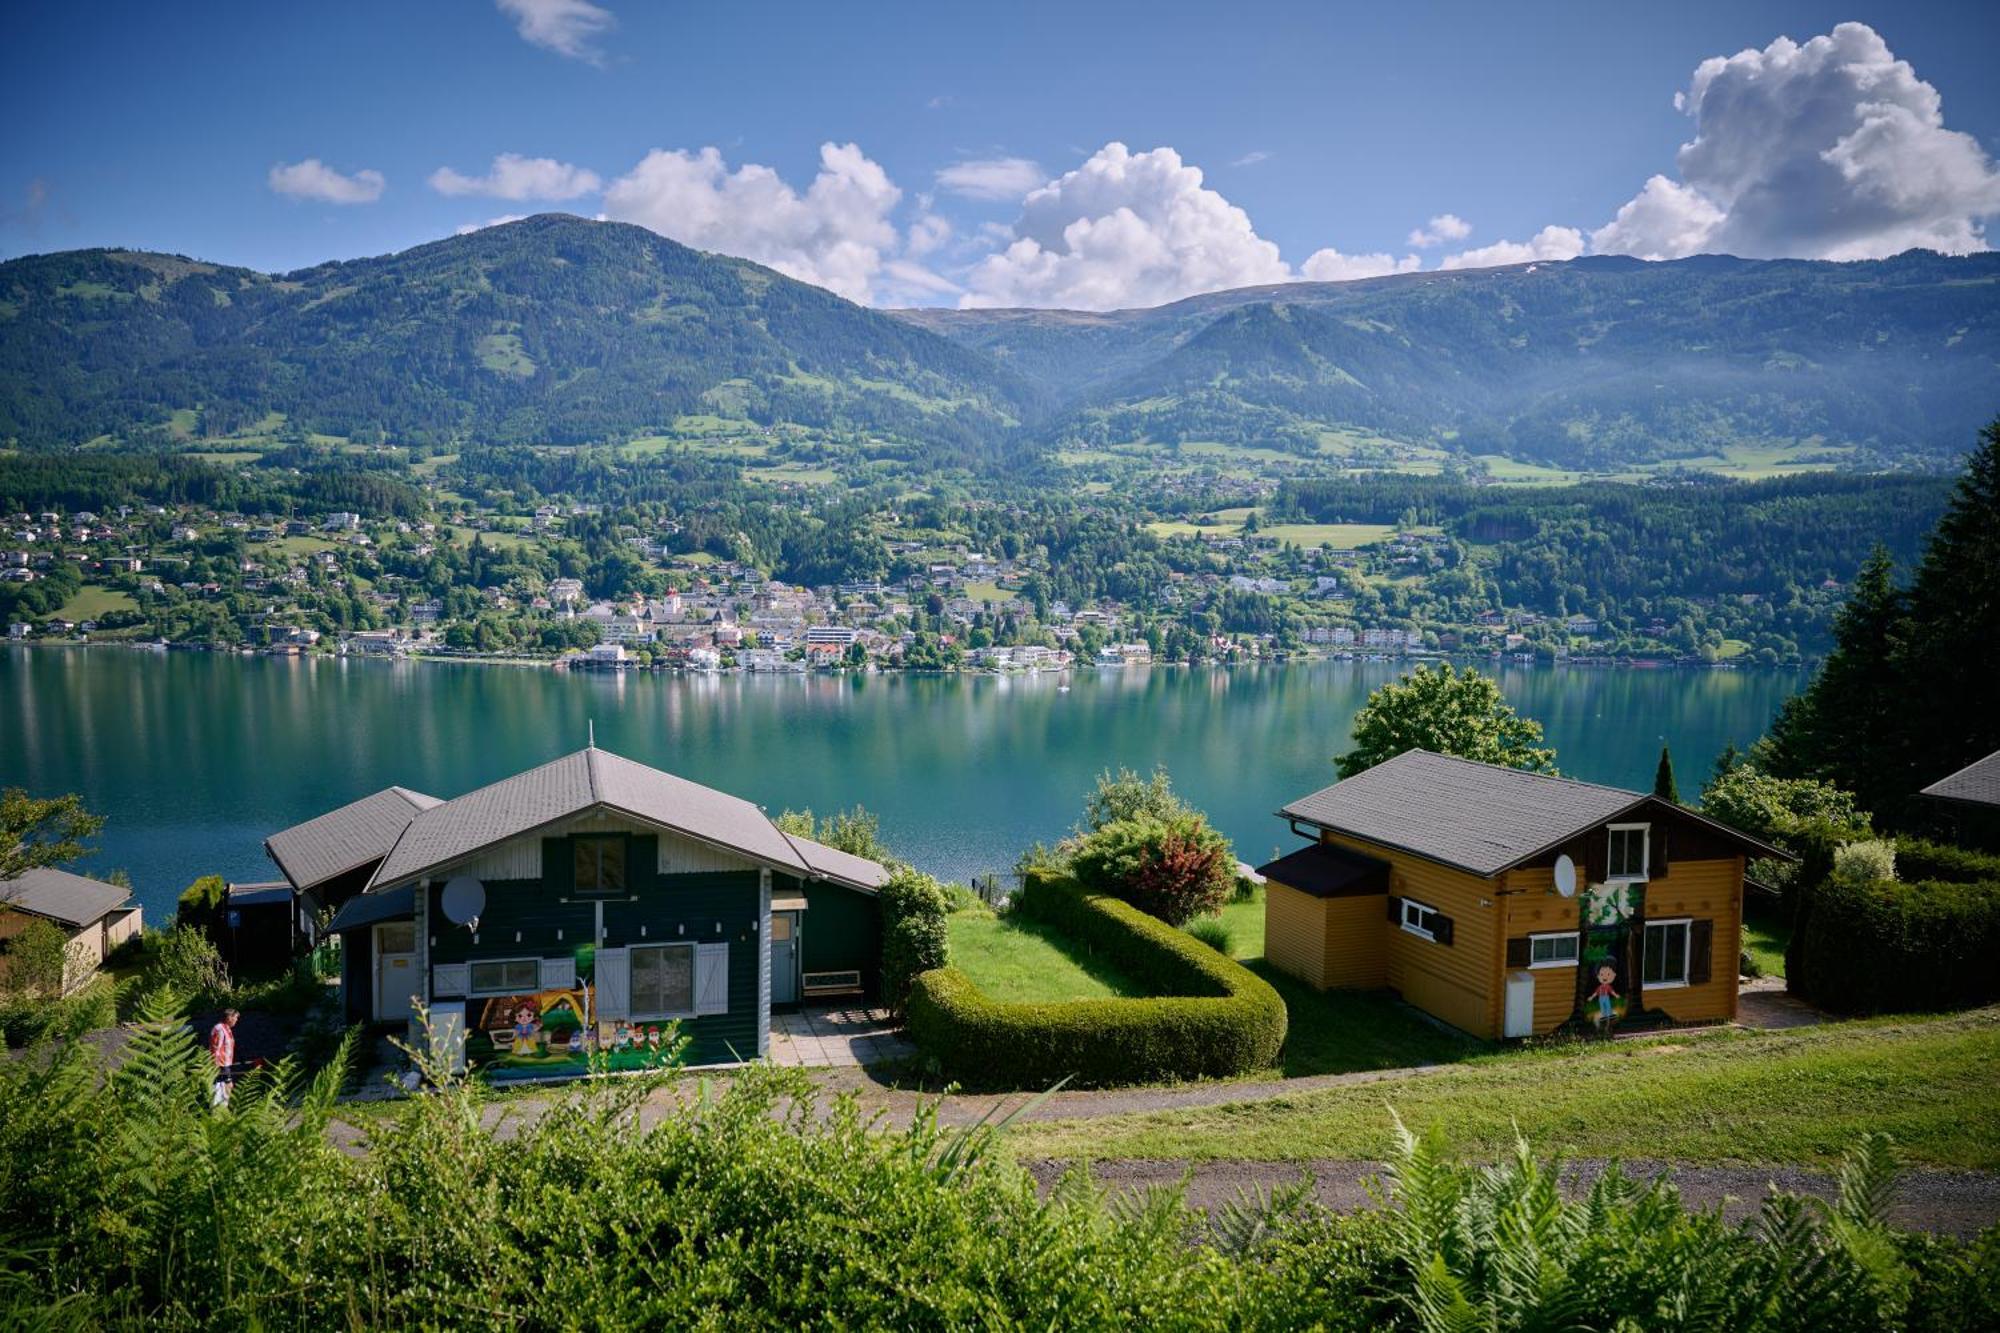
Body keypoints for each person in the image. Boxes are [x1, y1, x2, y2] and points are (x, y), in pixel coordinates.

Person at [209, 1007, 239, 1107]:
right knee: (225, 1086)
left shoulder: (227, 1029)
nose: (236, 1020)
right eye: (235, 1017)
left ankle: (221, 1111)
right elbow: (215, 1049)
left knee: (225, 1087)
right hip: (220, 1064)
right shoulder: (219, 1029)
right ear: (229, 1017)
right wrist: (219, 1067)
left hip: (225, 1064)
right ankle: (218, 1112)